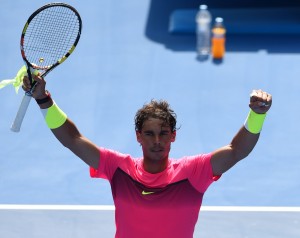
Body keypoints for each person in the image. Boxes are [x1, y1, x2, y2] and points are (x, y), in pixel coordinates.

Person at [22, 75, 272, 238]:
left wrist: (257, 115)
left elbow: (237, 150)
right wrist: (43, 100)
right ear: (138, 137)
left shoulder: (193, 172)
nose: (157, 141)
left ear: (173, 136)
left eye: (163, 133)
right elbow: (72, 140)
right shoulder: (118, 167)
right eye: (149, 134)